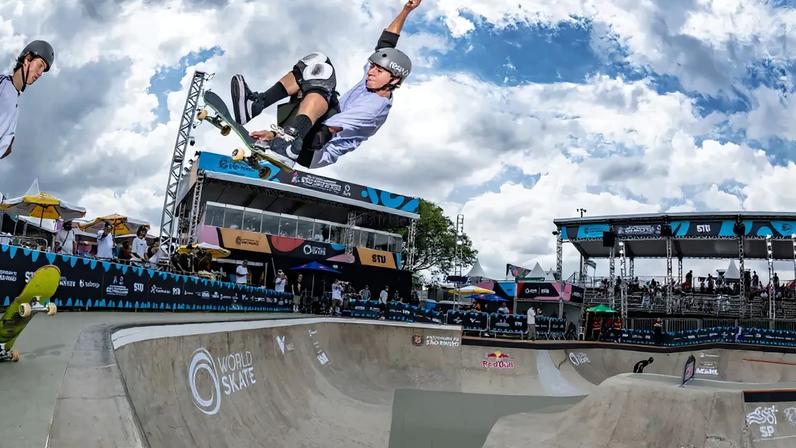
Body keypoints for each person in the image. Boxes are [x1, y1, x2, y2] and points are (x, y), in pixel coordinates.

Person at [233, 0, 422, 169]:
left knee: (324, 81)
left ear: (395, 79)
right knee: (317, 62)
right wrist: (406, 10)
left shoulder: (372, 110)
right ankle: (256, 104)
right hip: (305, 130)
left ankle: (289, 145)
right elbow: (387, 42)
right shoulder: (374, 79)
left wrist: (278, 140)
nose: (370, 72)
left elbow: (324, 134)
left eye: (378, 71)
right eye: (372, 67)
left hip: (316, 150)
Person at [1, 40, 54, 160]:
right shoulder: (2, 83)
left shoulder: (15, 107)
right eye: (40, 65)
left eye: (43, 69)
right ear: (27, 59)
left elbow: (7, 149)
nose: (40, 73)